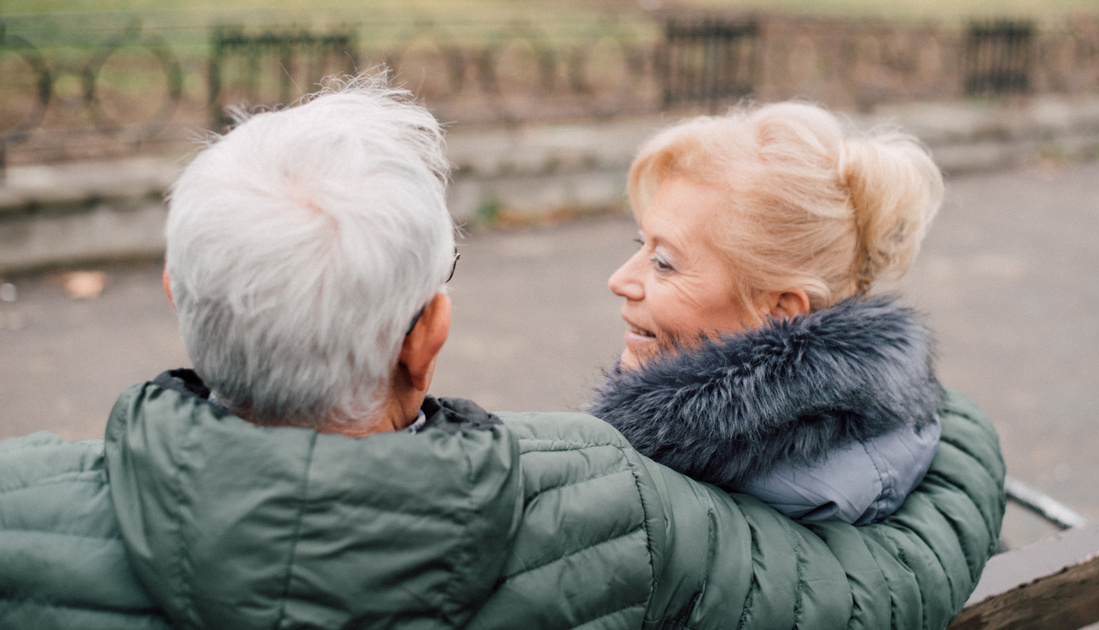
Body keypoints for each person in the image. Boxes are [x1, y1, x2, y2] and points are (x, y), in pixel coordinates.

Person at [0, 77, 1004, 629]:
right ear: (427, 338)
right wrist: (944, 419)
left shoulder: (20, 512)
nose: (625, 277)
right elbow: (871, 587)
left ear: (180, 296)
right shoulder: (609, 505)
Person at [591, 102, 951, 524]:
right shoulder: (904, 419)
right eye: (642, 247)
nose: (619, 280)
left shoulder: (683, 508)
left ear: (781, 312)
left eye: (665, 263)